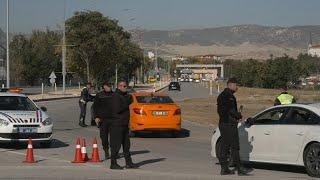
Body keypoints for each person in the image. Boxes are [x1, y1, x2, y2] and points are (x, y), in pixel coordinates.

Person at [217, 77, 251, 176]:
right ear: (230, 84)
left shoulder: (227, 95)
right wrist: (238, 115)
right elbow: (228, 110)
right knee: (233, 146)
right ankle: (239, 169)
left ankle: (225, 169)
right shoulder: (227, 96)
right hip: (228, 124)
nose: (237, 87)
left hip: (226, 123)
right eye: (236, 85)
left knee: (227, 146)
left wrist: (236, 117)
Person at [110, 80, 138, 170]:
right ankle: (113, 163)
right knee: (116, 145)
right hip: (117, 124)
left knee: (126, 145)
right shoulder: (115, 96)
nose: (126, 88)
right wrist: (127, 102)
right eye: (124, 86)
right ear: (119, 86)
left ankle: (129, 163)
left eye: (126, 86)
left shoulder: (124, 96)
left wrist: (127, 100)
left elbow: (131, 99)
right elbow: (118, 109)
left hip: (124, 124)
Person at [92, 81, 113, 160]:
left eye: (110, 85)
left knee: (114, 138)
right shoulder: (99, 95)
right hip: (103, 120)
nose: (109, 87)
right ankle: (106, 150)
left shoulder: (114, 95)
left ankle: (114, 151)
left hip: (113, 119)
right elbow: (95, 107)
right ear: (104, 86)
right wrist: (96, 117)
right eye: (108, 86)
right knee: (104, 137)